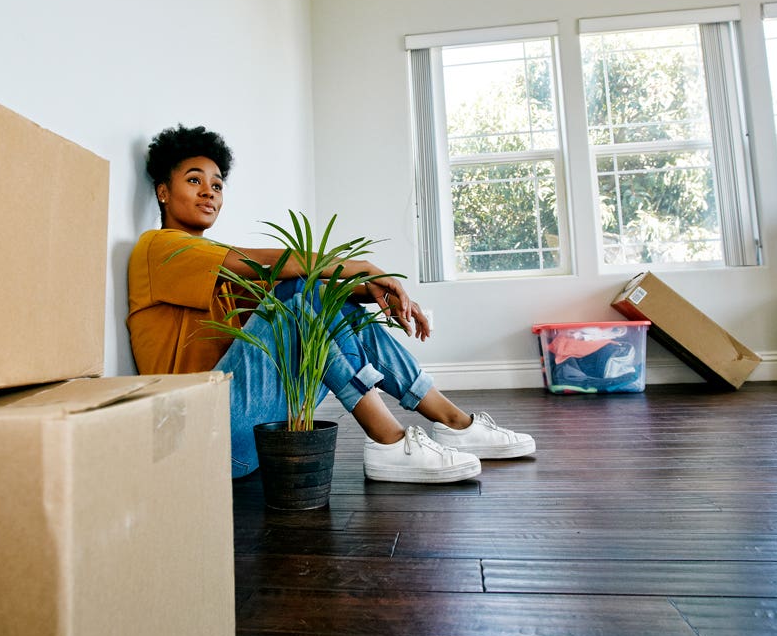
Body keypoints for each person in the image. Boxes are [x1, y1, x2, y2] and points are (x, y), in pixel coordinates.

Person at [127, 124, 535, 483]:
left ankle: (453, 423)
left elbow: (303, 292)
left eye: (217, 185)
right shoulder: (158, 247)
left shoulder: (215, 268)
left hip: (246, 441)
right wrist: (359, 267)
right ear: (163, 192)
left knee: (315, 295)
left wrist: (366, 292)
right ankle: (390, 441)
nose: (209, 193)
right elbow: (277, 267)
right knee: (302, 290)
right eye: (194, 181)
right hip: (199, 438)